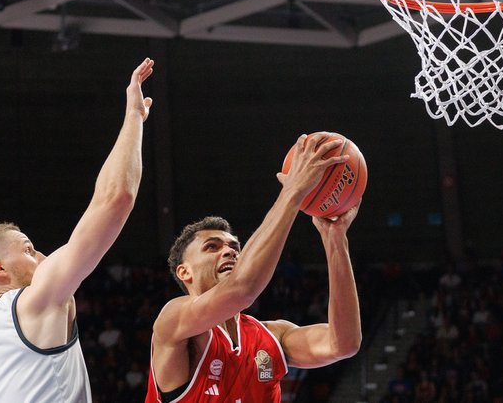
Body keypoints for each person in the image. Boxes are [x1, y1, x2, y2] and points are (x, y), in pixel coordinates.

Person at [0, 58, 155, 402]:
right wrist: (134, 117)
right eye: (29, 249)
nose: (43, 255)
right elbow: (115, 199)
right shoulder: (31, 304)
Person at [146, 132, 362, 402]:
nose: (228, 251)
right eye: (212, 247)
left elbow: (344, 343)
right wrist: (294, 191)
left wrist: (335, 240)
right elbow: (242, 289)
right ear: (184, 271)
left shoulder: (271, 336)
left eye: (235, 248)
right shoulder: (174, 321)